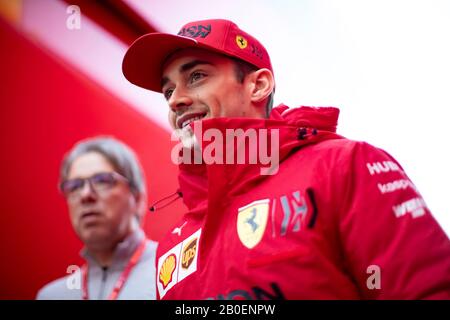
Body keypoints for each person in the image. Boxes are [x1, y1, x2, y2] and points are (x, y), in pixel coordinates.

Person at [122, 19, 450, 299]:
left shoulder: (345, 165)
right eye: (167, 91)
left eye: (196, 77)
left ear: (258, 86)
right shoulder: (173, 245)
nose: (176, 100)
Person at [36, 137, 157, 300]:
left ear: (136, 198)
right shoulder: (51, 296)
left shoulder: (172, 271)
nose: (85, 195)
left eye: (102, 181)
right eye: (74, 186)